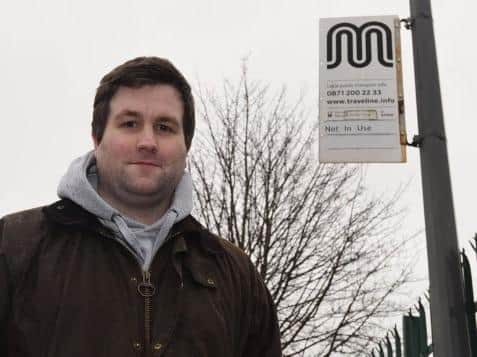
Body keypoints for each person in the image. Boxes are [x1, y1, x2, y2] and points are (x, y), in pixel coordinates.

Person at [0, 57, 282, 356]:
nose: (148, 141)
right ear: (97, 138)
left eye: (164, 127)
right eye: (130, 123)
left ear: (186, 145)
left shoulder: (235, 275)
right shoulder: (13, 246)